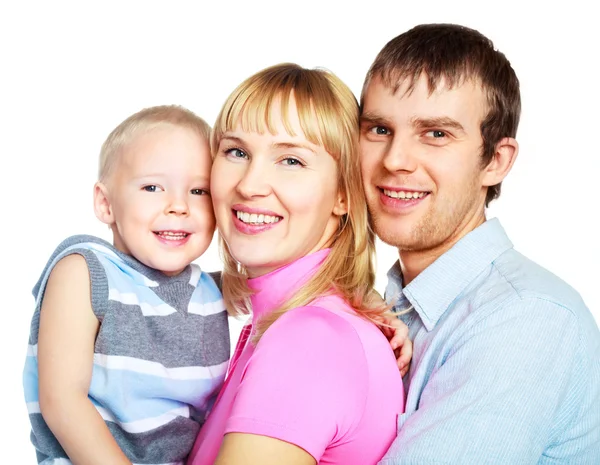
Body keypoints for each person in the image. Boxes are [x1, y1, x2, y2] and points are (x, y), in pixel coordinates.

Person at [359, 23, 600, 464]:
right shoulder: (390, 305)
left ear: (495, 161)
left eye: (436, 134)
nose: (394, 160)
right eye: (378, 129)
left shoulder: (525, 318)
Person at [186, 63, 405, 465]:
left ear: (344, 194)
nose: (249, 185)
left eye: (291, 161)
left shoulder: (310, 339)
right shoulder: (295, 321)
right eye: (236, 152)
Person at [23, 105, 230, 464]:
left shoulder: (214, 290)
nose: (178, 205)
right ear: (106, 204)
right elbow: (61, 401)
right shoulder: (85, 271)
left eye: (199, 191)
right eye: (152, 186)